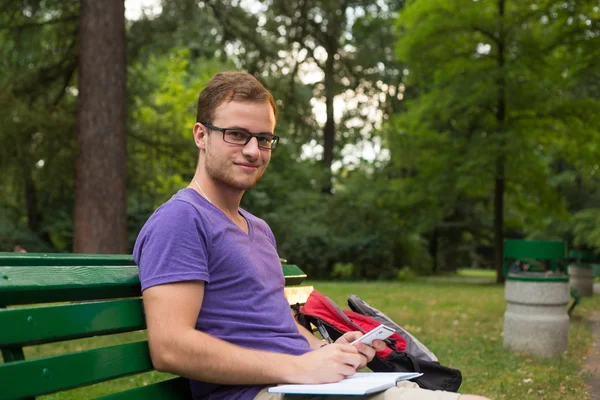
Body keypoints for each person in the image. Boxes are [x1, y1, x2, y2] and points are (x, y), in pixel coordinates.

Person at [133, 71, 490, 400]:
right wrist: (298, 369)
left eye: (264, 138)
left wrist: (329, 351)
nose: (253, 150)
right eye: (237, 135)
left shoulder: (257, 228)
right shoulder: (181, 220)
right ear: (201, 135)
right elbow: (170, 347)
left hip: (308, 385)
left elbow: (279, 327)